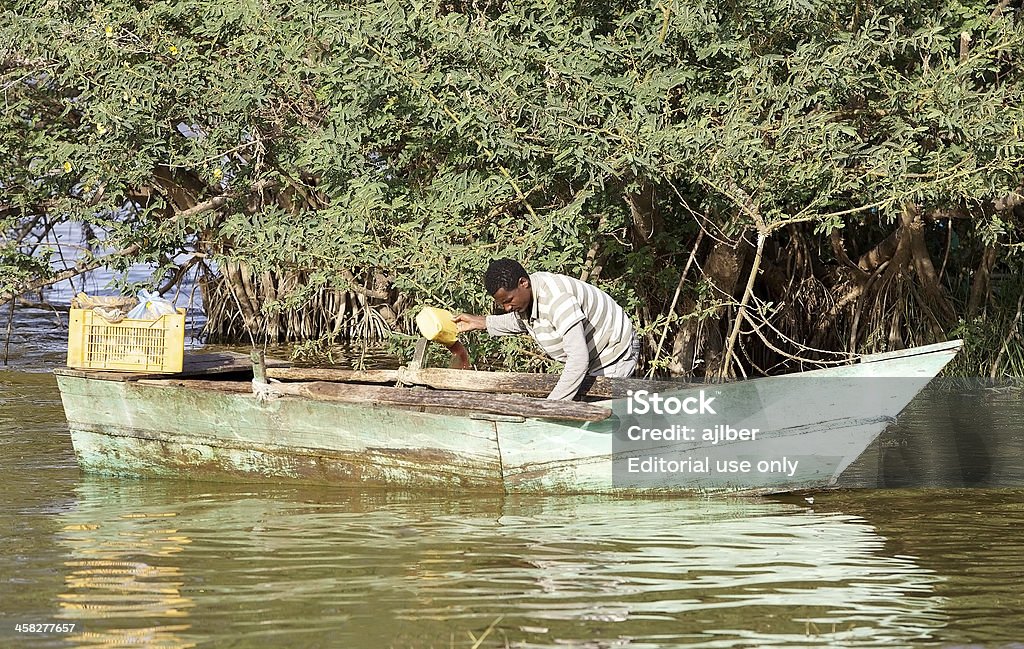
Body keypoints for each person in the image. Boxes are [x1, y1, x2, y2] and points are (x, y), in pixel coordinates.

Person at [454, 258, 640, 400]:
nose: (507, 308)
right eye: (503, 304)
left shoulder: (557, 299)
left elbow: (578, 359)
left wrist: (550, 406)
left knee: (596, 420)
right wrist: (481, 322)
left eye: (508, 301)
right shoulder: (528, 297)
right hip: (591, 361)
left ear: (523, 283)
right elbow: (519, 322)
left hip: (615, 353)